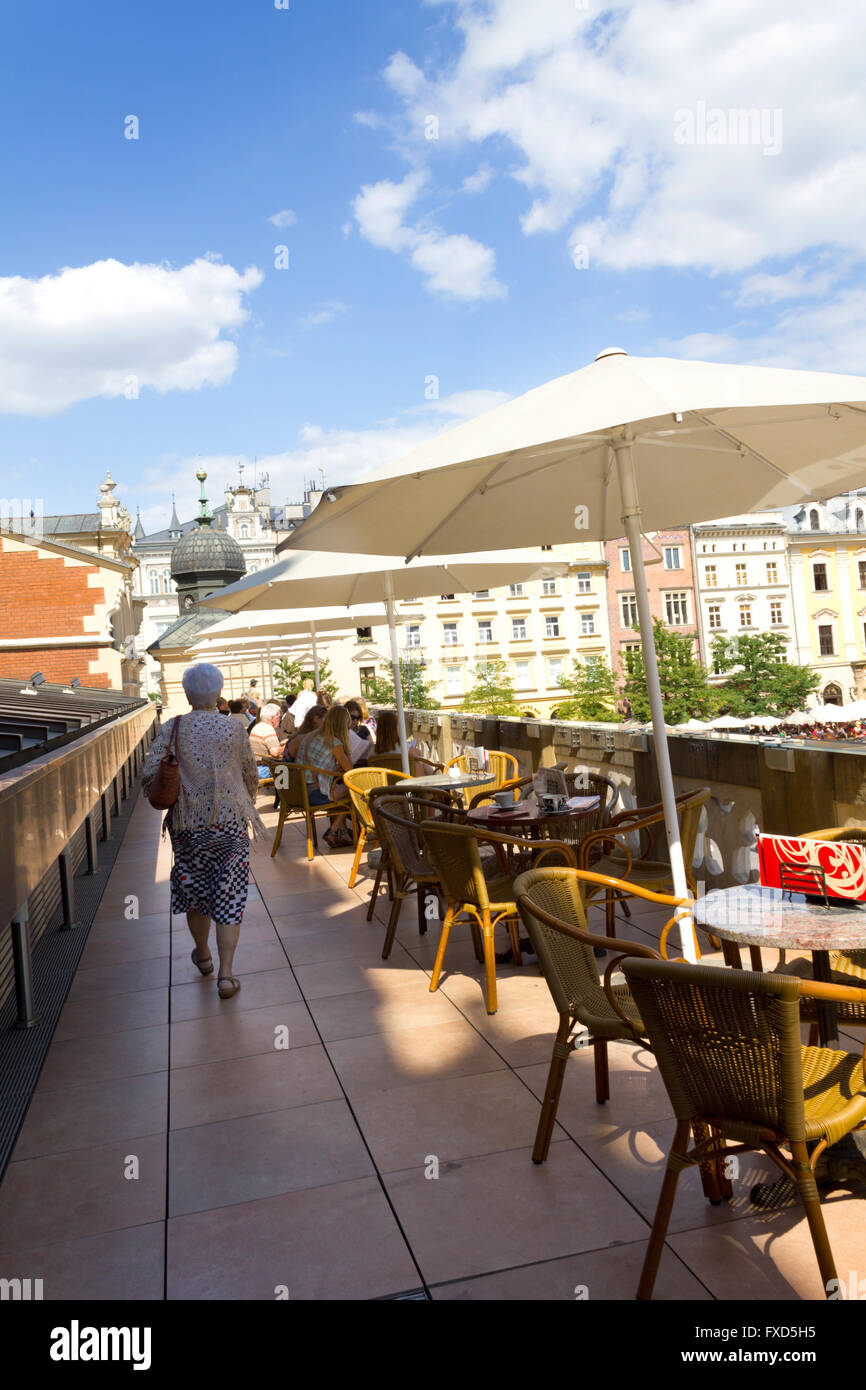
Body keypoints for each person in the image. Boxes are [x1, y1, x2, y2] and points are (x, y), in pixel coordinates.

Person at [140, 662, 262, 1000]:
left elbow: (148, 773)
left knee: (195, 890)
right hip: (232, 826)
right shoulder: (235, 728)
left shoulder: (173, 727)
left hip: (188, 826)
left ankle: (204, 955)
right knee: (230, 893)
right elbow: (250, 773)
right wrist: (243, 804)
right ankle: (226, 975)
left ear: (187, 692)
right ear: (218, 692)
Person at [303, 705, 353, 846]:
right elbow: (351, 772)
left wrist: (334, 770)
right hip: (316, 793)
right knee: (354, 789)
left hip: (301, 790)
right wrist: (346, 749)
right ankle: (334, 830)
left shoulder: (314, 737)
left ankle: (339, 832)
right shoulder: (334, 743)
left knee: (341, 788)